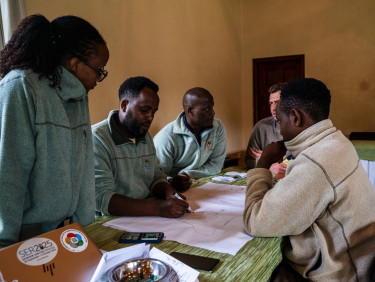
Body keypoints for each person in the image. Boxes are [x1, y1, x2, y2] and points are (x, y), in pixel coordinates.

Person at [243, 78, 375, 281]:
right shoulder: (338, 141)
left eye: (280, 121)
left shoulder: (315, 162)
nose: (280, 130)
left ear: (295, 117)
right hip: (358, 256)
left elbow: (255, 221)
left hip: (342, 272)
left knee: (258, 271)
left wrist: (262, 165)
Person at [0, 14, 109, 248]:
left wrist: (84, 226)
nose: (99, 78)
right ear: (75, 64)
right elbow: (8, 175)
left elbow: (84, 168)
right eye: (99, 70)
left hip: (67, 233)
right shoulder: (20, 87)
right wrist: (4, 243)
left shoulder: (78, 96)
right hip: (25, 239)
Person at [92, 76, 189, 218]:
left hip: (145, 215)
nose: (150, 117)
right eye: (144, 110)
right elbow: (102, 198)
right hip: (109, 221)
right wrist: (159, 209)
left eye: (154, 112)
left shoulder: (144, 135)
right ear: (124, 105)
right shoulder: (97, 139)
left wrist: (168, 191)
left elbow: (156, 177)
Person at [153, 87, 226, 182]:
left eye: (212, 107)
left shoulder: (217, 127)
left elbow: (216, 165)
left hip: (199, 181)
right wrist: (174, 180)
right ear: (190, 111)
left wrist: (188, 174)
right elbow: (157, 176)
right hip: (173, 186)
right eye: (207, 109)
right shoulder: (166, 137)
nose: (213, 112)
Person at [244, 83, 287, 176]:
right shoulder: (261, 126)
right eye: (271, 103)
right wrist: (269, 165)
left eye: (278, 102)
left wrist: (266, 157)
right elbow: (249, 160)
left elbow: (298, 158)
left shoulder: (301, 126)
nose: (273, 108)